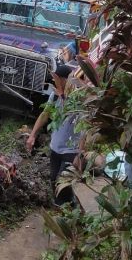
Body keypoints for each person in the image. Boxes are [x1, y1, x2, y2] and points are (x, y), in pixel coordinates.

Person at [26, 65, 82, 206]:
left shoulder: (78, 99)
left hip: (71, 150)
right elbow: (45, 114)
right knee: (53, 180)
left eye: (56, 79)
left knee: (62, 186)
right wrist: (32, 135)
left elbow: (86, 128)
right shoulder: (55, 96)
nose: (53, 82)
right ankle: (69, 207)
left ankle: (64, 215)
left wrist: (80, 154)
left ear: (64, 80)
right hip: (55, 148)